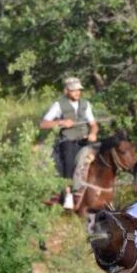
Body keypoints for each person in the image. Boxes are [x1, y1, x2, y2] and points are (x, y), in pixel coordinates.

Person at [40, 77, 99, 209]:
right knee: (68, 160)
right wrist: (61, 122)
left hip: (85, 139)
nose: (77, 93)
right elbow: (43, 124)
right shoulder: (58, 105)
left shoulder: (86, 104)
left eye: (79, 90)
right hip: (68, 140)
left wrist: (93, 133)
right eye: (73, 90)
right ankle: (68, 194)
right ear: (66, 91)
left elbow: (93, 124)